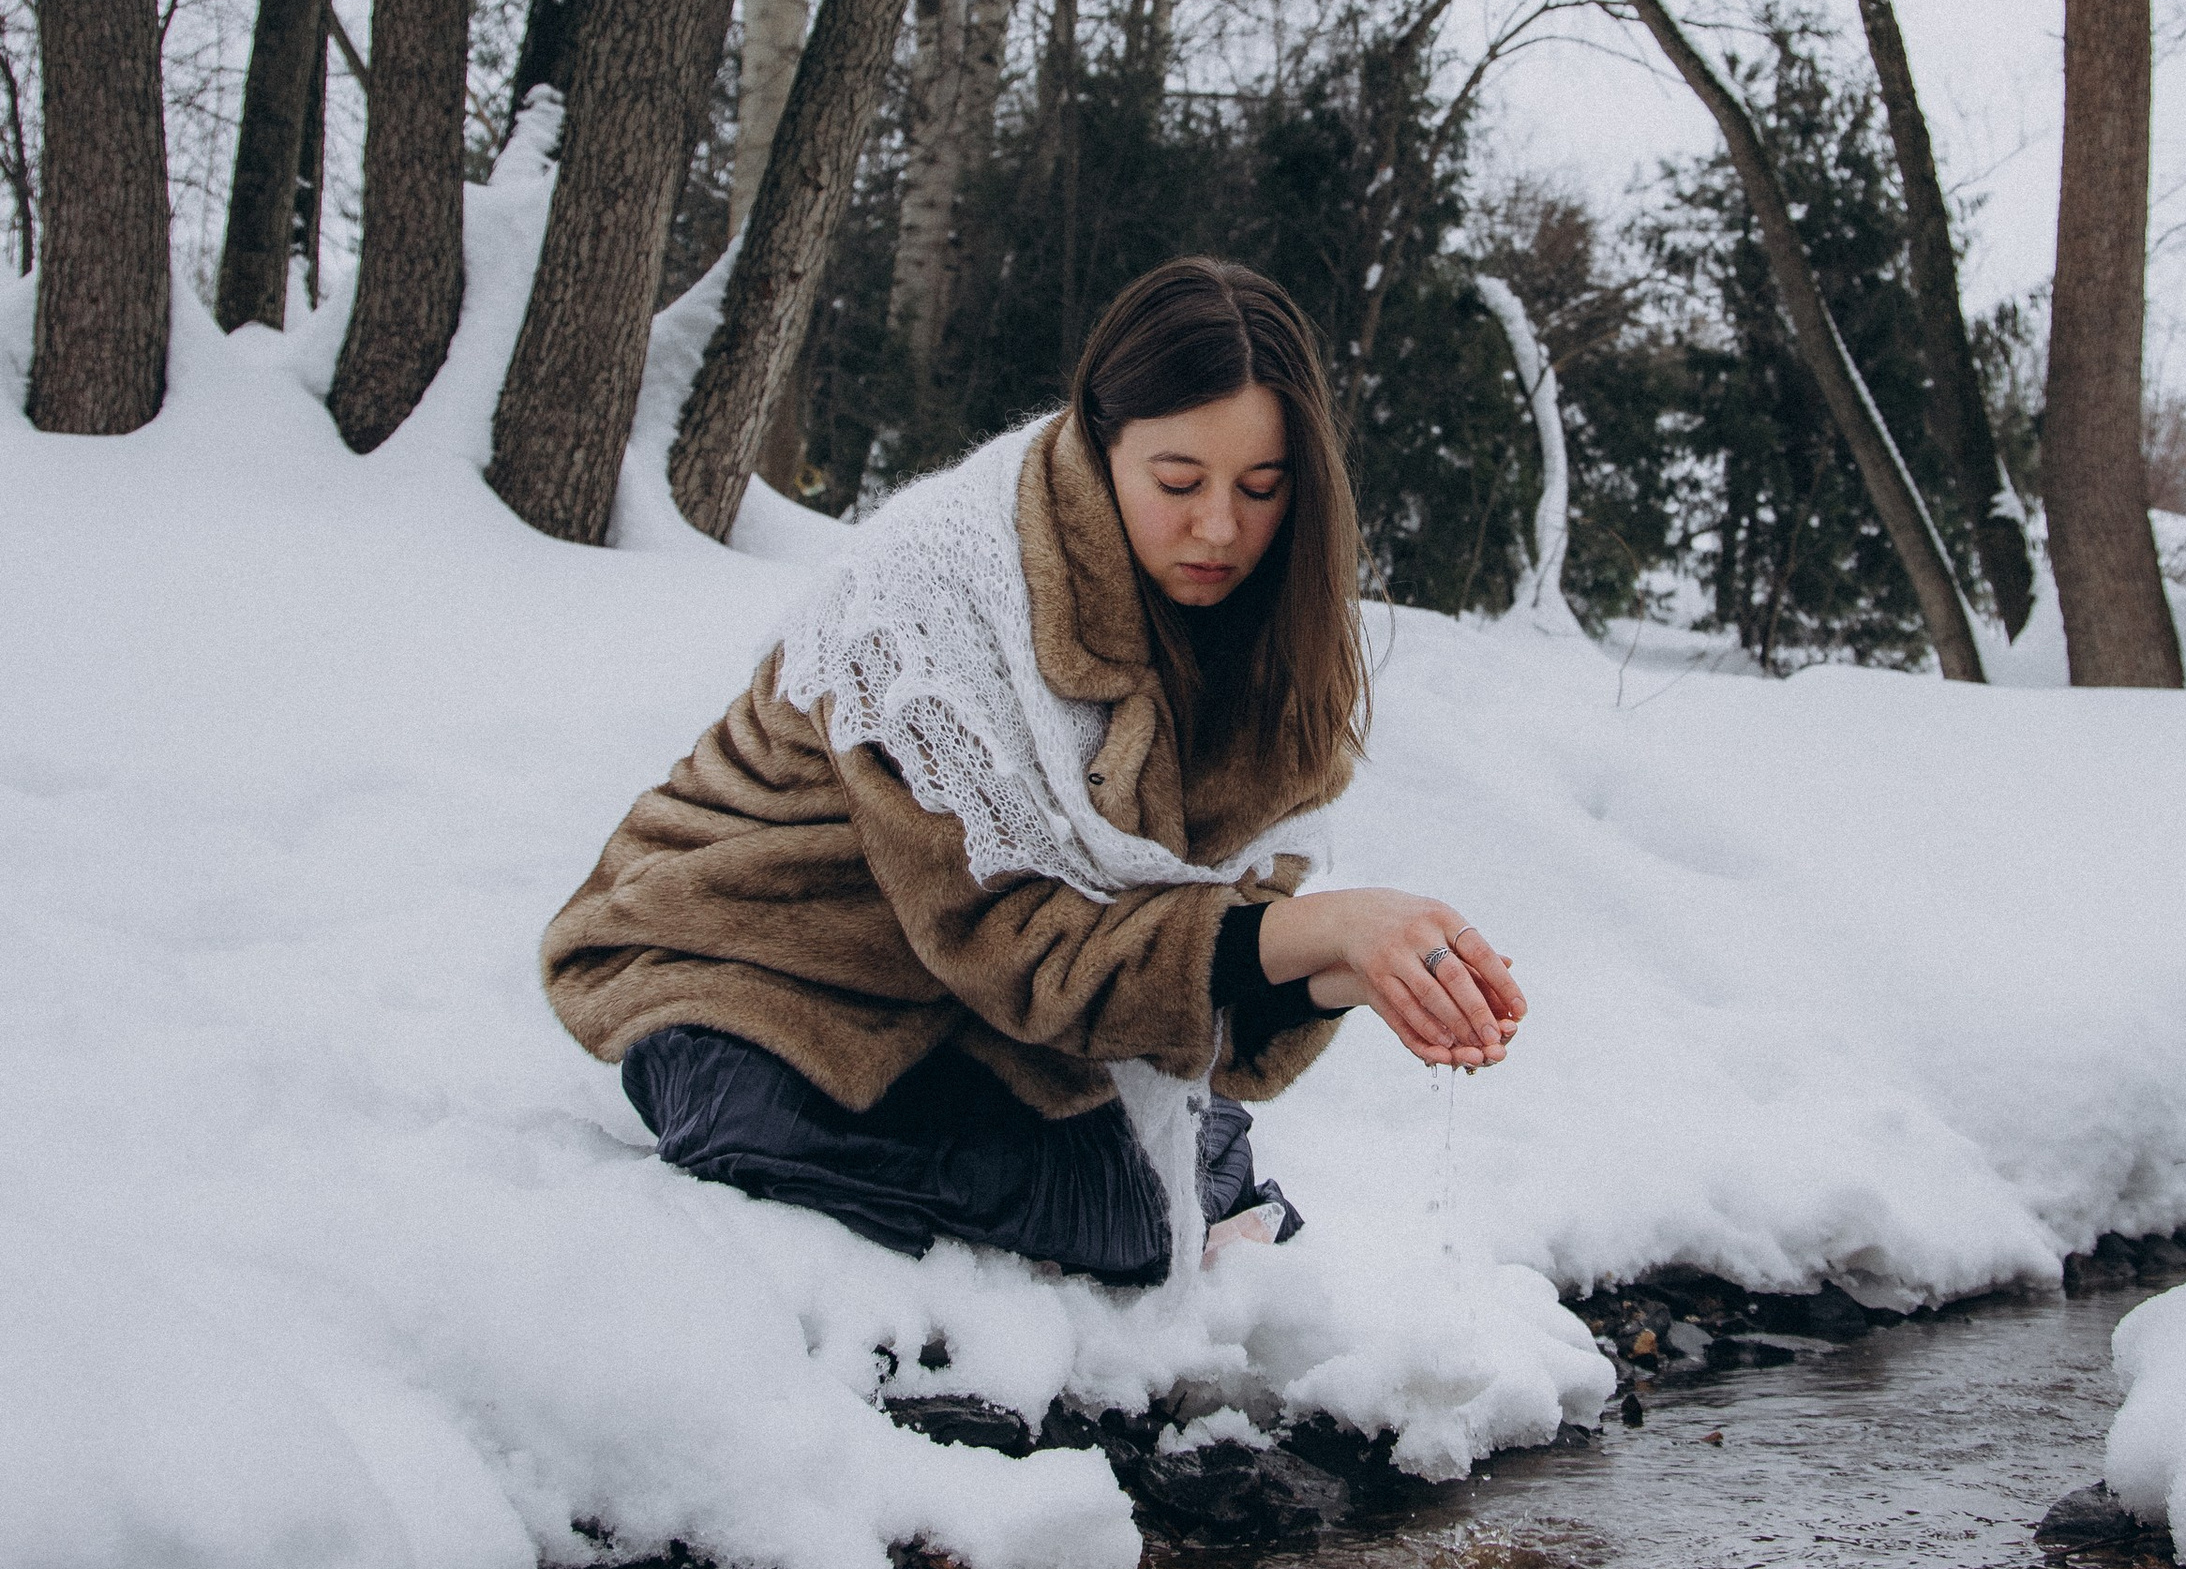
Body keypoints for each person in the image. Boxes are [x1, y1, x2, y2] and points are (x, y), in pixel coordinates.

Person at [542, 257, 1525, 1286]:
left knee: (1171, 1182)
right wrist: (1317, 931)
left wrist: (1347, 965)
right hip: (756, 962)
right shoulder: (931, 596)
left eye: (1262, 489)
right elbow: (1014, 942)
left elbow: (1207, 958)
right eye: (1178, 483)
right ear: (1101, 448)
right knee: (1130, 1219)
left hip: (975, 999)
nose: (1221, 529)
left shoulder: (1266, 631)